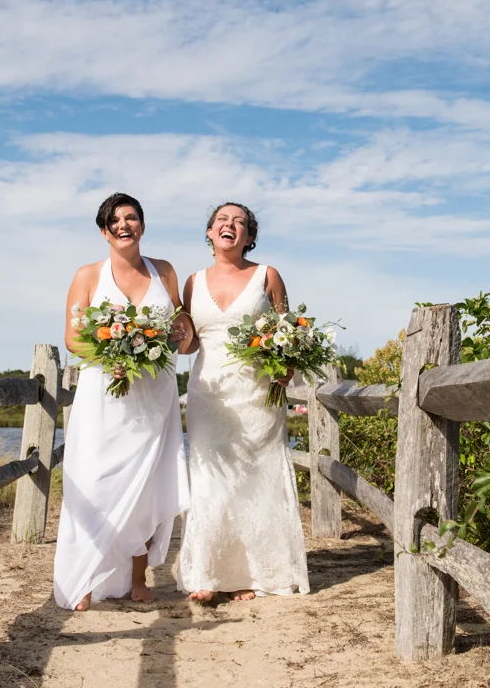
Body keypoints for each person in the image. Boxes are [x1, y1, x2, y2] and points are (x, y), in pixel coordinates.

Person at [52, 193, 192, 611]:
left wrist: (176, 335)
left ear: (143, 226)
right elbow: (73, 337)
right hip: (104, 394)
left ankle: (137, 578)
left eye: (132, 218)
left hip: (154, 394)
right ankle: (83, 578)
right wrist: (113, 356)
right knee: (95, 481)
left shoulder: (164, 271)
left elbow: (180, 325)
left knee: (146, 486)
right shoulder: (88, 276)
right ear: (104, 231)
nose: (124, 225)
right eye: (115, 220)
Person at [177, 201, 310, 602]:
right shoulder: (192, 281)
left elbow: (287, 331)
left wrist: (287, 365)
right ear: (209, 233)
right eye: (222, 220)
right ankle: (207, 573)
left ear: (249, 237)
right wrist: (148, 338)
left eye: (239, 222)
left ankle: (253, 575)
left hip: (257, 392)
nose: (229, 225)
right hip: (208, 392)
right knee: (209, 478)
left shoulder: (267, 275)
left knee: (255, 479)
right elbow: (189, 344)